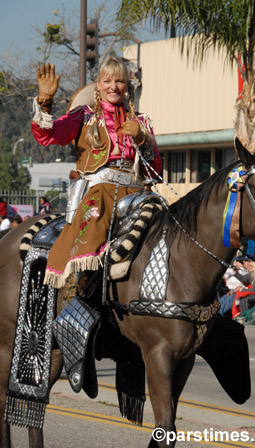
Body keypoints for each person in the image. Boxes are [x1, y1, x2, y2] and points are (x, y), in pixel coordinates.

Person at [31, 58, 162, 304]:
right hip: (98, 195)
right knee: (88, 237)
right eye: (107, 80)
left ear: (128, 85)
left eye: (120, 80)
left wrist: (143, 139)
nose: (113, 86)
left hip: (137, 196)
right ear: (98, 86)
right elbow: (48, 136)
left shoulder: (141, 122)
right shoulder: (84, 116)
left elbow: (155, 171)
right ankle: (73, 303)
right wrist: (45, 103)